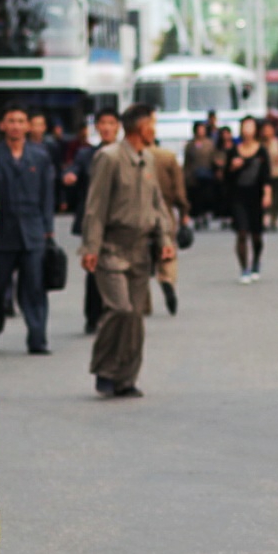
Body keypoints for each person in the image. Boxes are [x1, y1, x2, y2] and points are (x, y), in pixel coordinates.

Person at [80, 103, 176, 398]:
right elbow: (95, 206)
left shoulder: (147, 158)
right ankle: (104, 369)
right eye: (153, 124)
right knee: (119, 309)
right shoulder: (108, 158)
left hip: (140, 248)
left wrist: (165, 240)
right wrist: (91, 246)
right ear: (139, 126)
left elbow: (157, 205)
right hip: (111, 246)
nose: (155, 130)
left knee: (135, 317)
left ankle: (126, 377)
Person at [0, 104, 55, 356]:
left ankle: (38, 337)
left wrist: (48, 230)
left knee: (35, 287)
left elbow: (48, 195)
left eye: (20, 120)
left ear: (27, 125)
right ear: (2, 125)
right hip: (2, 233)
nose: (15, 125)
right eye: (10, 120)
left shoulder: (40, 156)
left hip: (33, 232)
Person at [68, 108, 123, 333]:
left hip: (118, 220)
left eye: (111, 123)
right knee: (94, 269)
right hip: (93, 220)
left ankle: (115, 312)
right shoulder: (86, 155)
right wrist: (70, 176)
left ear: (118, 126)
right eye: (103, 123)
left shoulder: (125, 154)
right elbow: (75, 170)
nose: (107, 128)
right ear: (97, 127)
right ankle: (93, 316)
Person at [224, 115, 272, 284]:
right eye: (245, 126)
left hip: (256, 196)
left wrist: (267, 194)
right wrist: (232, 167)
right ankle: (244, 267)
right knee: (242, 232)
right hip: (239, 196)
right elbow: (225, 177)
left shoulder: (261, 151)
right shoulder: (234, 151)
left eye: (250, 126)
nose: (247, 130)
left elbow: (266, 175)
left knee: (256, 235)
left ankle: (256, 261)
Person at [148, 131, 188, 315]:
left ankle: (143, 301)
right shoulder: (168, 157)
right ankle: (166, 280)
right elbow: (179, 191)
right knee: (167, 251)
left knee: (141, 257)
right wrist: (184, 211)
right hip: (166, 210)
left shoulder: (133, 156)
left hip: (139, 213)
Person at [183, 121, 217, 231]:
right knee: (196, 197)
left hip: (207, 174)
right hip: (193, 175)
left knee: (207, 195)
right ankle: (197, 217)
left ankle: (205, 215)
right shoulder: (190, 145)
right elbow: (187, 161)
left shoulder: (209, 144)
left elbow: (214, 158)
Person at [211, 127, 238, 228]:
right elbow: (214, 159)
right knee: (222, 196)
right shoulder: (218, 148)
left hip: (232, 174)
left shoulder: (235, 147)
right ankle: (223, 217)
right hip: (221, 174)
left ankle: (232, 216)